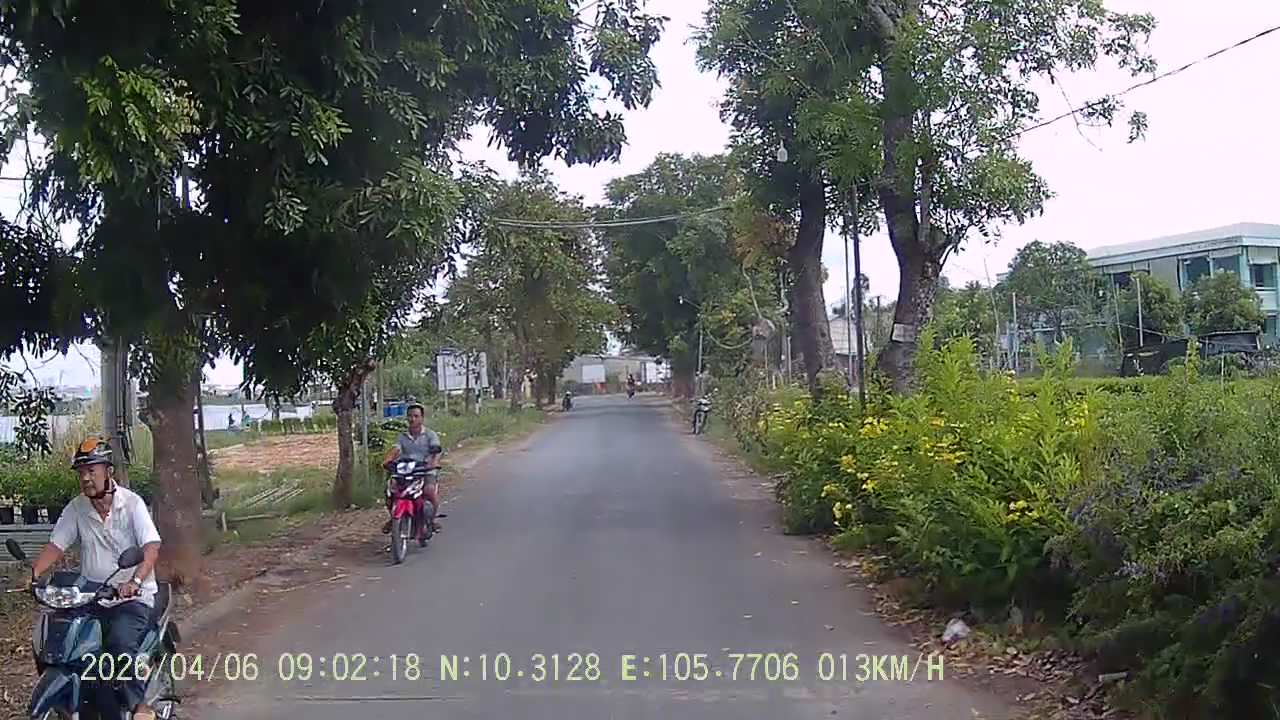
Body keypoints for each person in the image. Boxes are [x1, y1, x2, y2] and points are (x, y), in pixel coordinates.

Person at [21, 437, 162, 720]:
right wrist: (34, 573)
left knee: (119, 644)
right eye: (81, 472)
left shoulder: (132, 504)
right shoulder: (77, 508)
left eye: (91, 471)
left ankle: (139, 706)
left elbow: (151, 547)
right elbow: (56, 545)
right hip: (90, 596)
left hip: (131, 598)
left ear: (108, 471)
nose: (85, 478)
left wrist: (134, 582)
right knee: (65, 643)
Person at [380, 403, 443, 534]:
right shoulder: (402, 436)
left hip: (425, 470)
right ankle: (394, 517)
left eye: (416, 416)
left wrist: (434, 462)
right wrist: (387, 460)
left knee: (430, 491)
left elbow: (436, 451)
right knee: (391, 491)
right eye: (410, 416)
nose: (412, 419)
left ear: (422, 418)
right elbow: (396, 450)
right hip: (406, 469)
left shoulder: (430, 435)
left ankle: (431, 520)